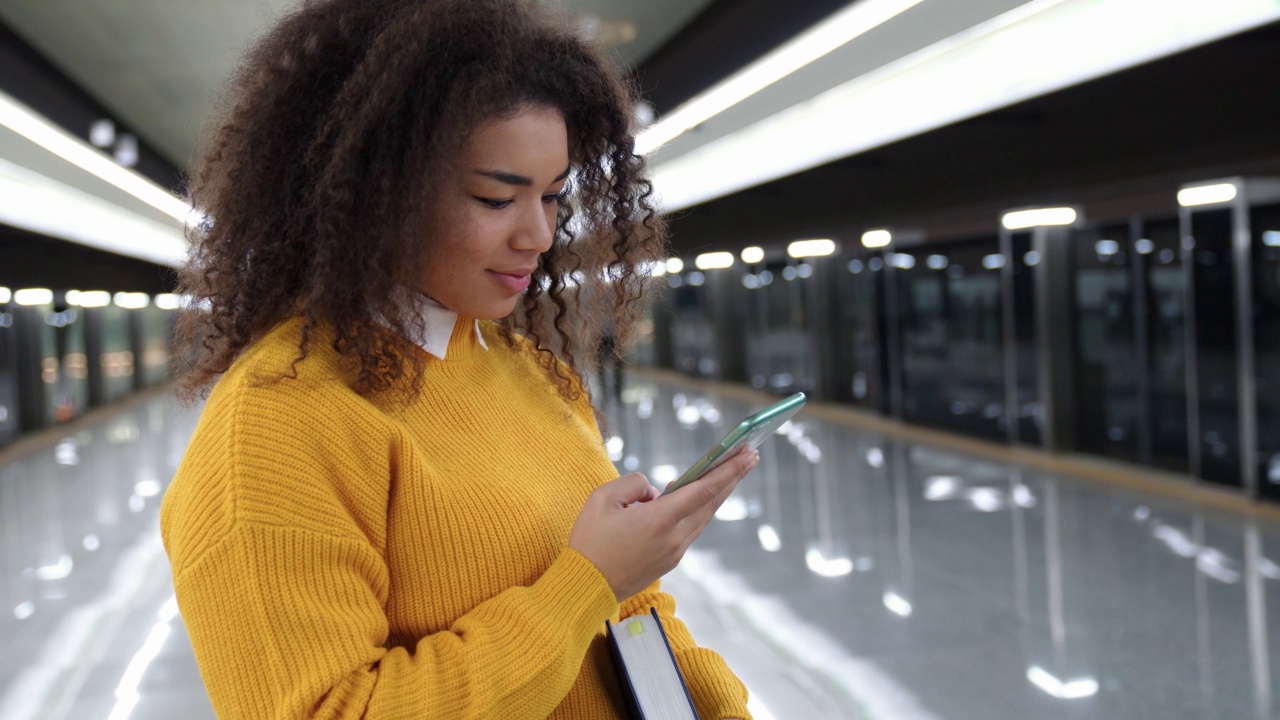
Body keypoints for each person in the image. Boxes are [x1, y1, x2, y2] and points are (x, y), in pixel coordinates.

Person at [159, 0, 756, 718]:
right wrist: (586, 582)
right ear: (380, 195)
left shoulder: (534, 375)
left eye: (554, 197)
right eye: (495, 198)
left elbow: (634, 614)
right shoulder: (275, 425)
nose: (539, 234)